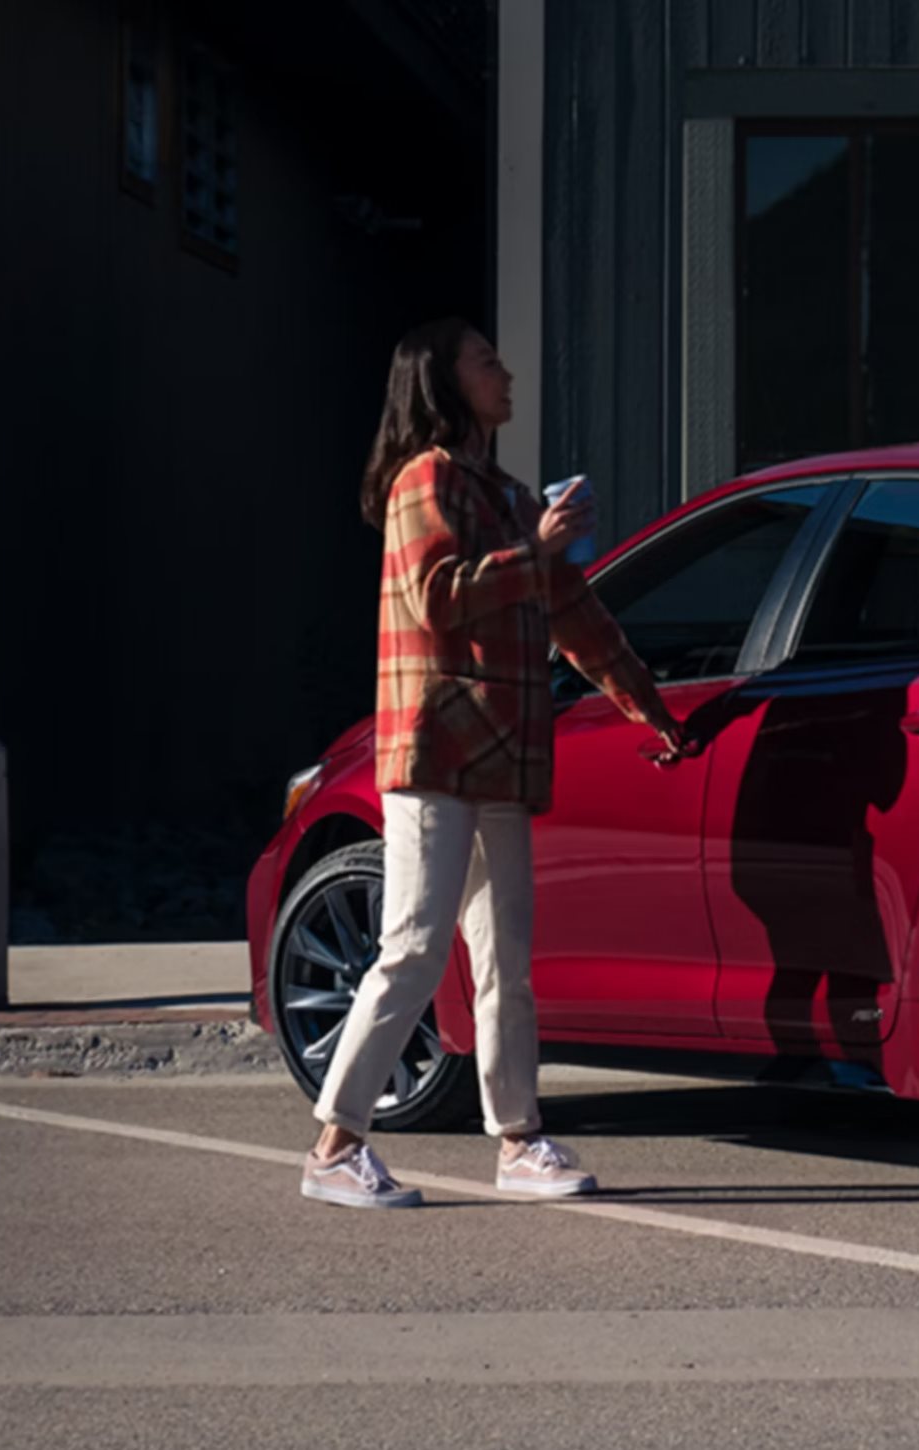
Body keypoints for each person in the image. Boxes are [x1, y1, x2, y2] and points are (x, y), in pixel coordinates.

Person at [302, 318, 687, 1209]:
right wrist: (538, 550)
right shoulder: (424, 479)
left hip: (504, 761)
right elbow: (435, 598)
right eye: (486, 362)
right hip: (437, 751)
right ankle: (334, 1146)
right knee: (412, 946)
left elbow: (578, 619)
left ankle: (520, 1141)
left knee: (505, 957)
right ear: (442, 382)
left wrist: (651, 708)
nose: (506, 374)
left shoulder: (512, 496)